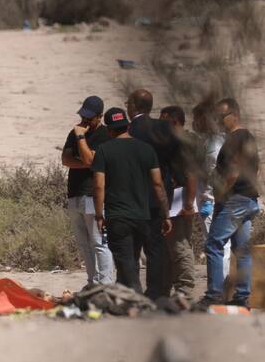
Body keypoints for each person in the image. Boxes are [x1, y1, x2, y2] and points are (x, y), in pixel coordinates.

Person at [92, 107, 172, 292]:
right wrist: (165, 214)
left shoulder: (104, 150)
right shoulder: (146, 149)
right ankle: (128, 298)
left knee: (125, 261)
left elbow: (98, 186)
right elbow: (158, 184)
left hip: (117, 216)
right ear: (128, 126)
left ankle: (135, 298)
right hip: (142, 216)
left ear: (109, 129)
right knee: (131, 258)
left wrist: (98, 215)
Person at [198, 98, 260, 309]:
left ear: (234, 115)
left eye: (221, 117)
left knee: (214, 244)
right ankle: (243, 297)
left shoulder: (235, 139)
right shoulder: (248, 137)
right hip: (248, 199)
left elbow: (233, 172)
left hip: (235, 201)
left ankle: (214, 294)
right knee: (242, 250)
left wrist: (223, 192)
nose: (218, 121)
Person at [127, 89, 183, 299]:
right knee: (155, 248)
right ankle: (156, 291)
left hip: (131, 195)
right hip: (158, 195)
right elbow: (177, 157)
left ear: (133, 106)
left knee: (132, 248)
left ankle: (132, 290)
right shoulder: (164, 128)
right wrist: (177, 178)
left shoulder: (127, 129)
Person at [61, 95, 115, 287]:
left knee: (99, 242)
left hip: (93, 195)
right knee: (84, 244)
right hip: (75, 193)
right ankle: (93, 282)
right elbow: (66, 159)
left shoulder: (104, 135)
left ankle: (105, 283)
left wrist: (81, 138)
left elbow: (91, 161)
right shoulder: (75, 132)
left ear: (99, 116)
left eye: (89, 117)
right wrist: (84, 160)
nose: (85, 120)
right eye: (83, 116)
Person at [159, 105, 199, 297]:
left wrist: (188, 204)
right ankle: (175, 286)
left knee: (180, 244)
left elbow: (191, 175)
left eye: (163, 122)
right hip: (177, 197)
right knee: (172, 245)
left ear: (174, 122)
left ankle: (185, 288)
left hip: (181, 198)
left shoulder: (183, 143)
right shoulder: (179, 141)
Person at [191, 100, 231, 279]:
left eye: (196, 119)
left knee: (217, 246)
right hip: (212, 198)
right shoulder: (213, 140)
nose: (193, 124)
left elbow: (210, 173)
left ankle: (219, 287)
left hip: (212, 200)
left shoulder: (212, 145)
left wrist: (207, 198)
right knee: (220, 245)